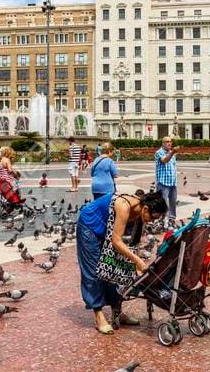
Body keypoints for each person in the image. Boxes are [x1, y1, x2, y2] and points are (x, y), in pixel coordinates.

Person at [76, 191, 168, 334]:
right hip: (90, 226)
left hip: (107, 230)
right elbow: (117, 241)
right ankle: (99, 316)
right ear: (145, 209)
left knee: (115, 267)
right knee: (93, 271)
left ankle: (116, 311)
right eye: (153, 217)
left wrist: (136, 265)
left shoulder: (140, 213)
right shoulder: (124, 206)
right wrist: (138, 261)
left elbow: (134, 242)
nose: (152, 222)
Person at [154, 136, 178, 227]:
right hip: (163, 182)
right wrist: (172, 152)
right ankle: (163, 221)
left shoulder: (172, 154)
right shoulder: (158, 152)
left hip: (172, 182)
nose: (169, 143)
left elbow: (173, 166)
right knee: (163, 203)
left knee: (173, 202)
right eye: (167, 141)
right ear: (163, 143)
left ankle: (172, 220)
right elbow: (165, 160)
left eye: (170, 141)